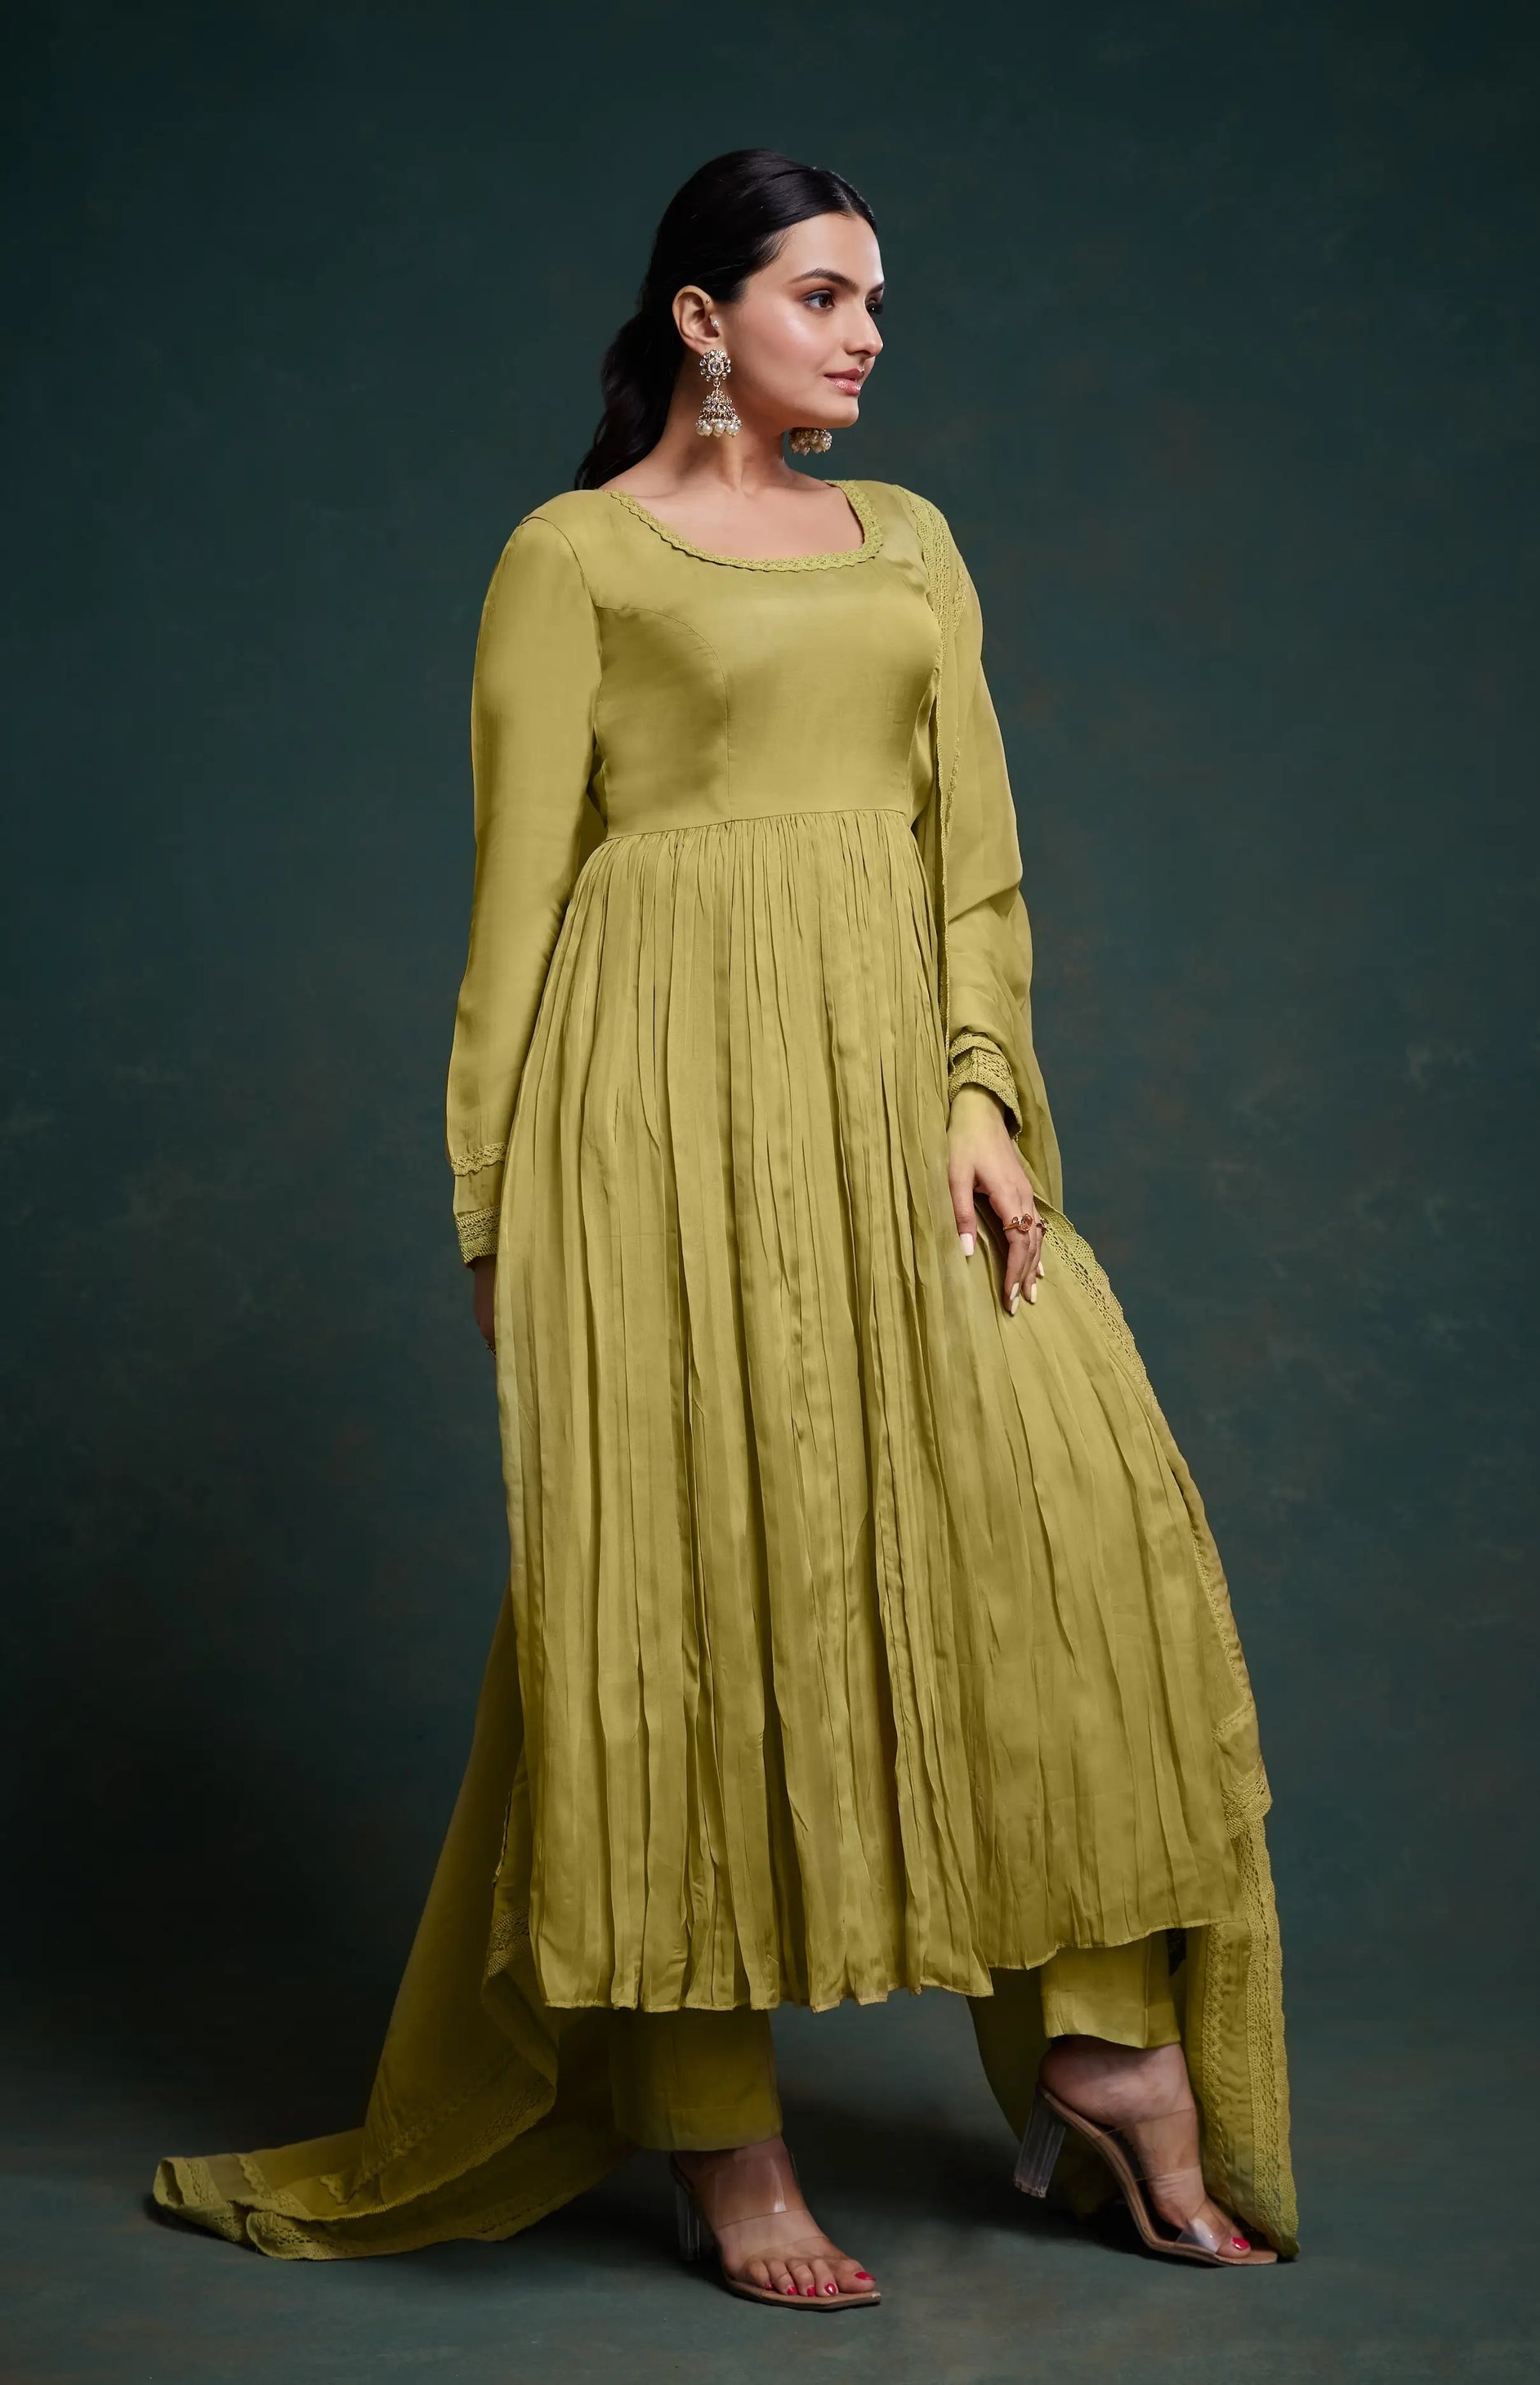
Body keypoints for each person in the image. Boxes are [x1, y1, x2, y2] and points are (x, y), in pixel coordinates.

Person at [154, 148, 1297, 2304]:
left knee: (1069, 1545)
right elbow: (515, 906)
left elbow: (974, 853)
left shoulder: (911, 541)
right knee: (672, 1606)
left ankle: (1106, 2045)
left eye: (877, 301)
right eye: (821, 293)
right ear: (702, 317)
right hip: (648, 1122)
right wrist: (497, 1212)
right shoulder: (572, 555)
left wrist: (977, 1091)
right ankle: (721, 2141)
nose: (865, 335)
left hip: (890, 1100)